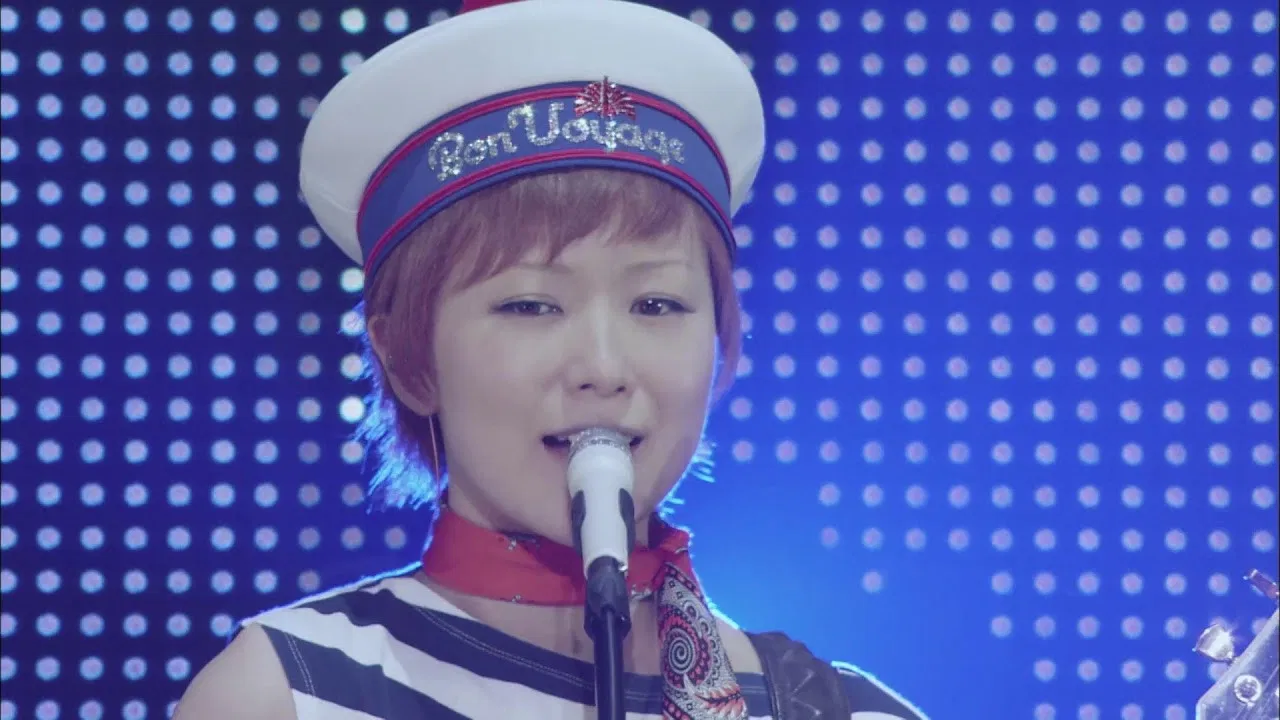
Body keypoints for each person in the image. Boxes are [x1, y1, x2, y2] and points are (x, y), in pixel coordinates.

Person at [175, 1, 929, 718]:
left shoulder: (839, 711)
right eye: (531, 306)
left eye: (656, 304)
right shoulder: (287, 696)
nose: (604, 367)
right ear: (408, 359)